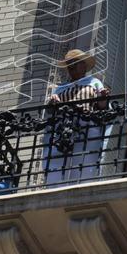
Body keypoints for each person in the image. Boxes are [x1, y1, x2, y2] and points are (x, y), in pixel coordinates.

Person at [42, 49, 110, 185]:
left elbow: (102, 106)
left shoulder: (94, 82)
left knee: (85, 158)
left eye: (75, 63)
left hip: (87, 124)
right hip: (63, 127)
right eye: (69, 64)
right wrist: (53, 101)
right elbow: (50, 111)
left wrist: (103, 97)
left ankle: (84, 184)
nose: (71, 66)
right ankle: (55, 186)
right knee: (59, 160)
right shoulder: (61, 87)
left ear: (84, 66)